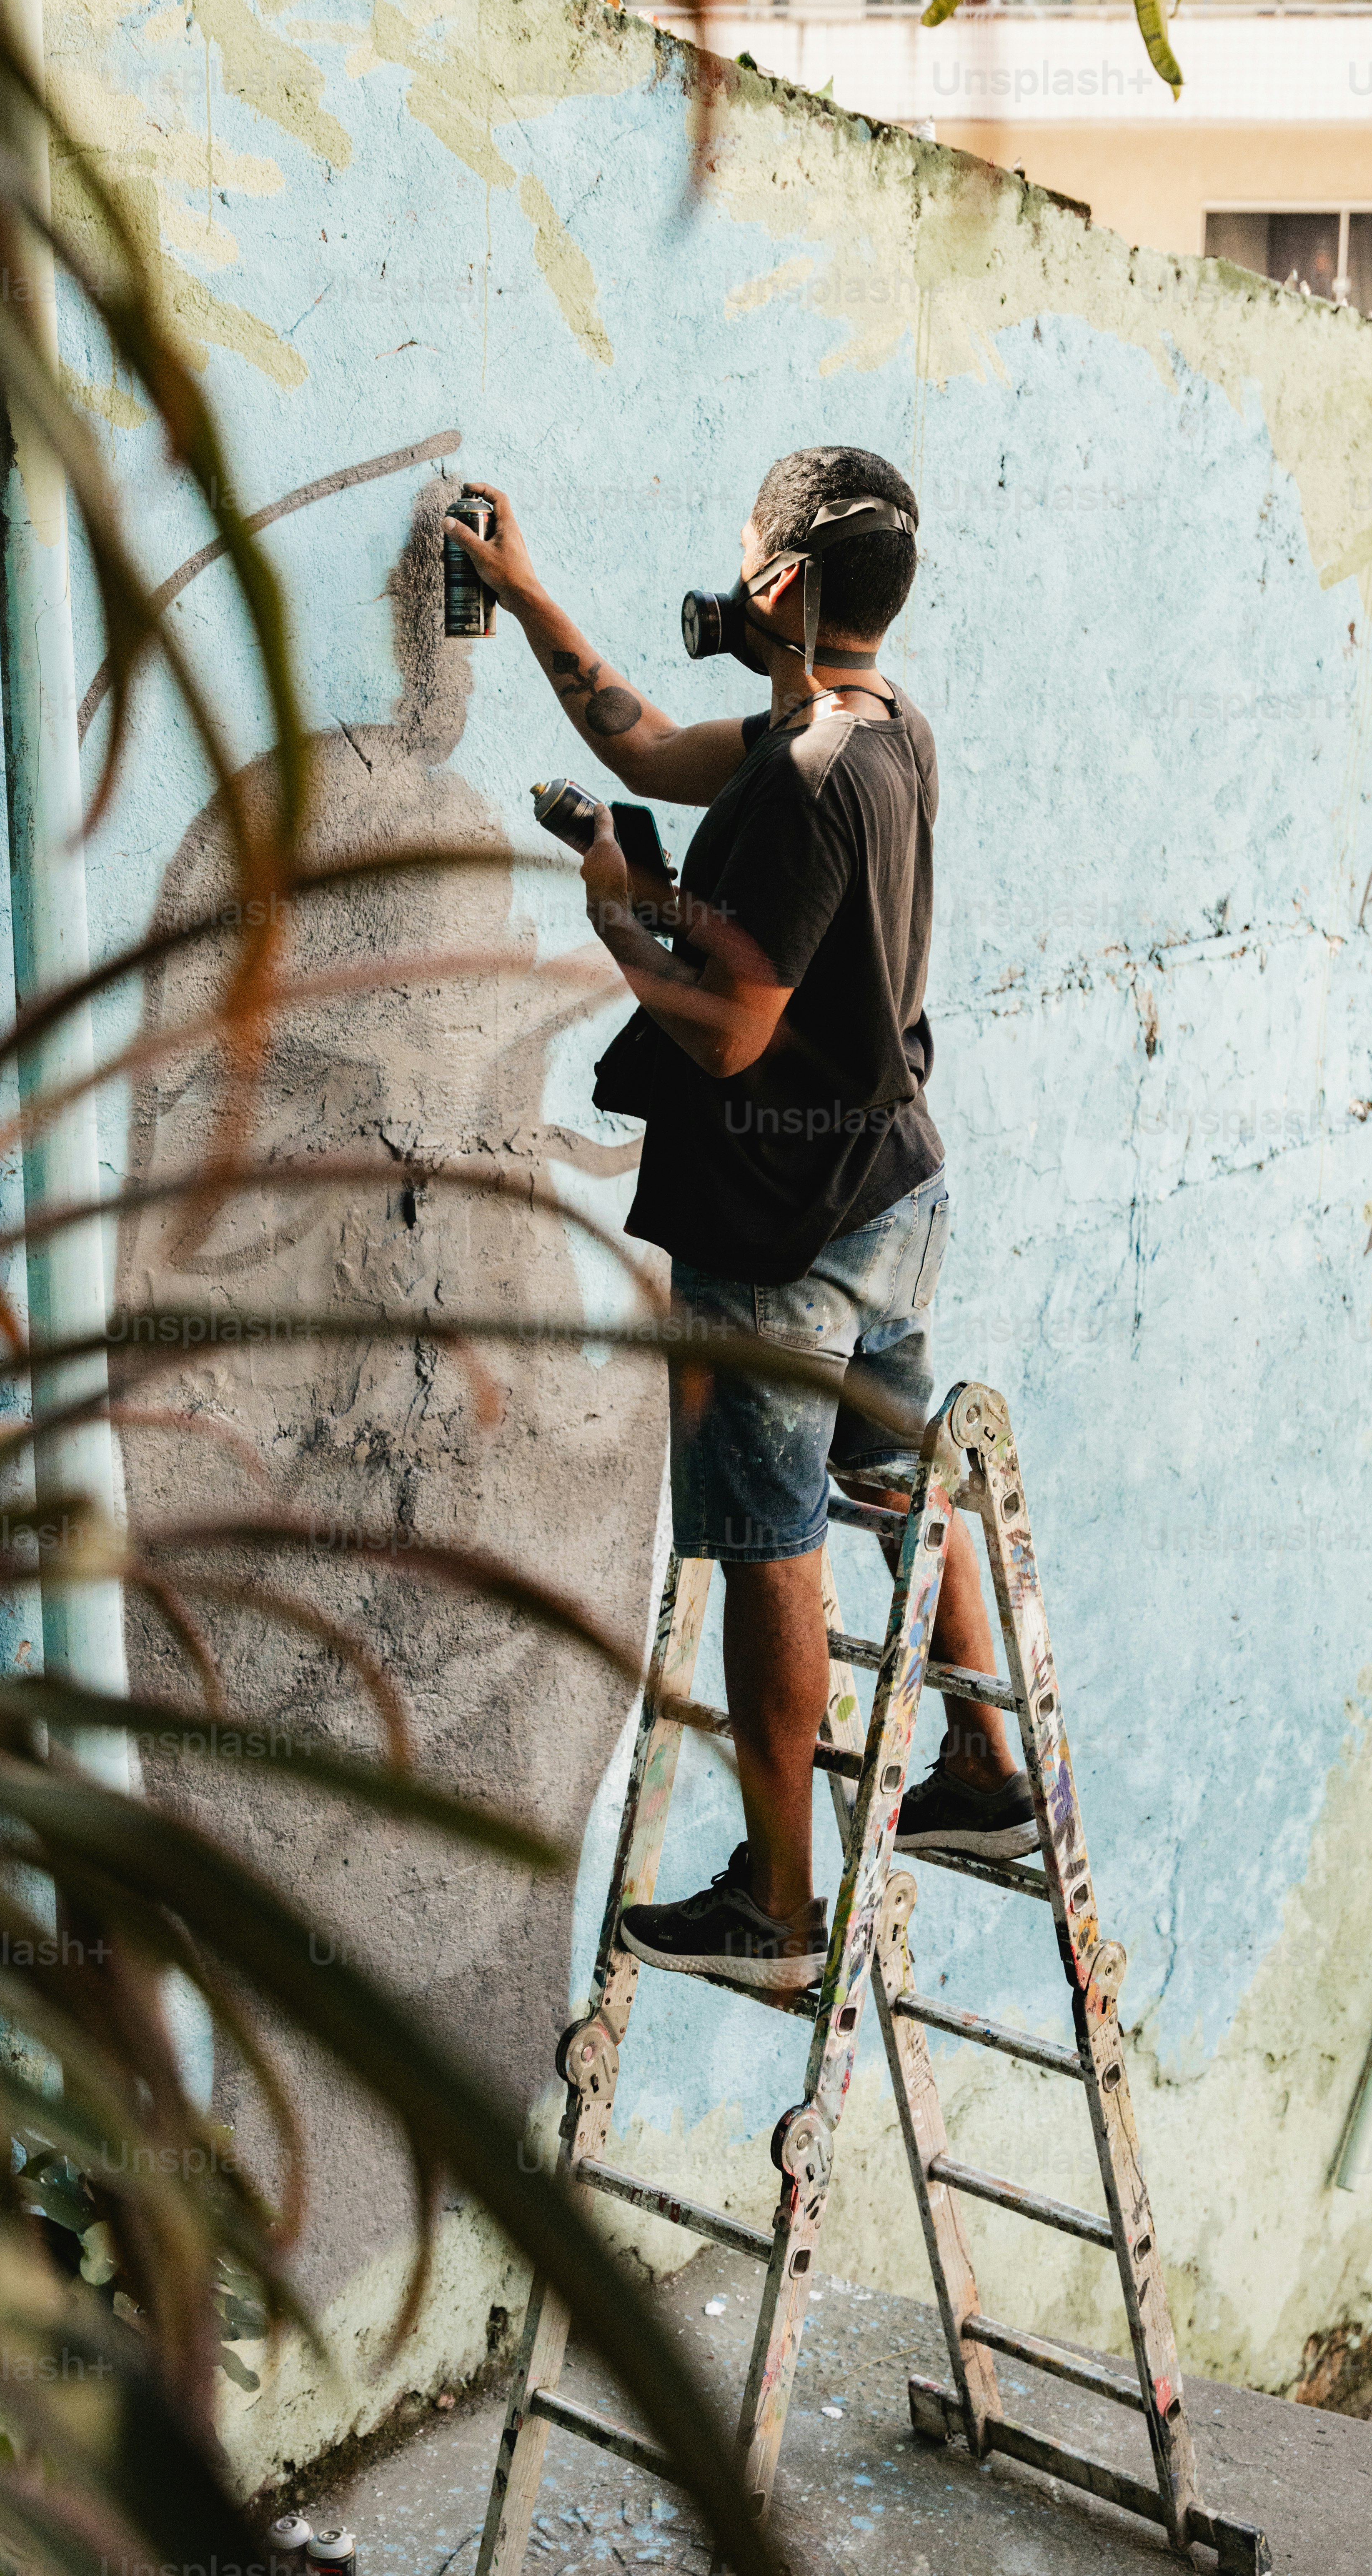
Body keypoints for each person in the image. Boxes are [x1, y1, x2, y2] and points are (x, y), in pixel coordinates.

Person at [448, 449, 1034, 1992]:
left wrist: (618, 915)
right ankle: (982, 1766)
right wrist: (521, 598)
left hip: (776, 1239)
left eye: (745, 560)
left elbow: (725, 1036)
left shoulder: (802, 779)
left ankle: (776, 1907)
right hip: (890, 1187)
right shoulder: (874, 731)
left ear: (778, 587)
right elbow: (640, 740)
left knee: (770, 1549)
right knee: (895, 1471)